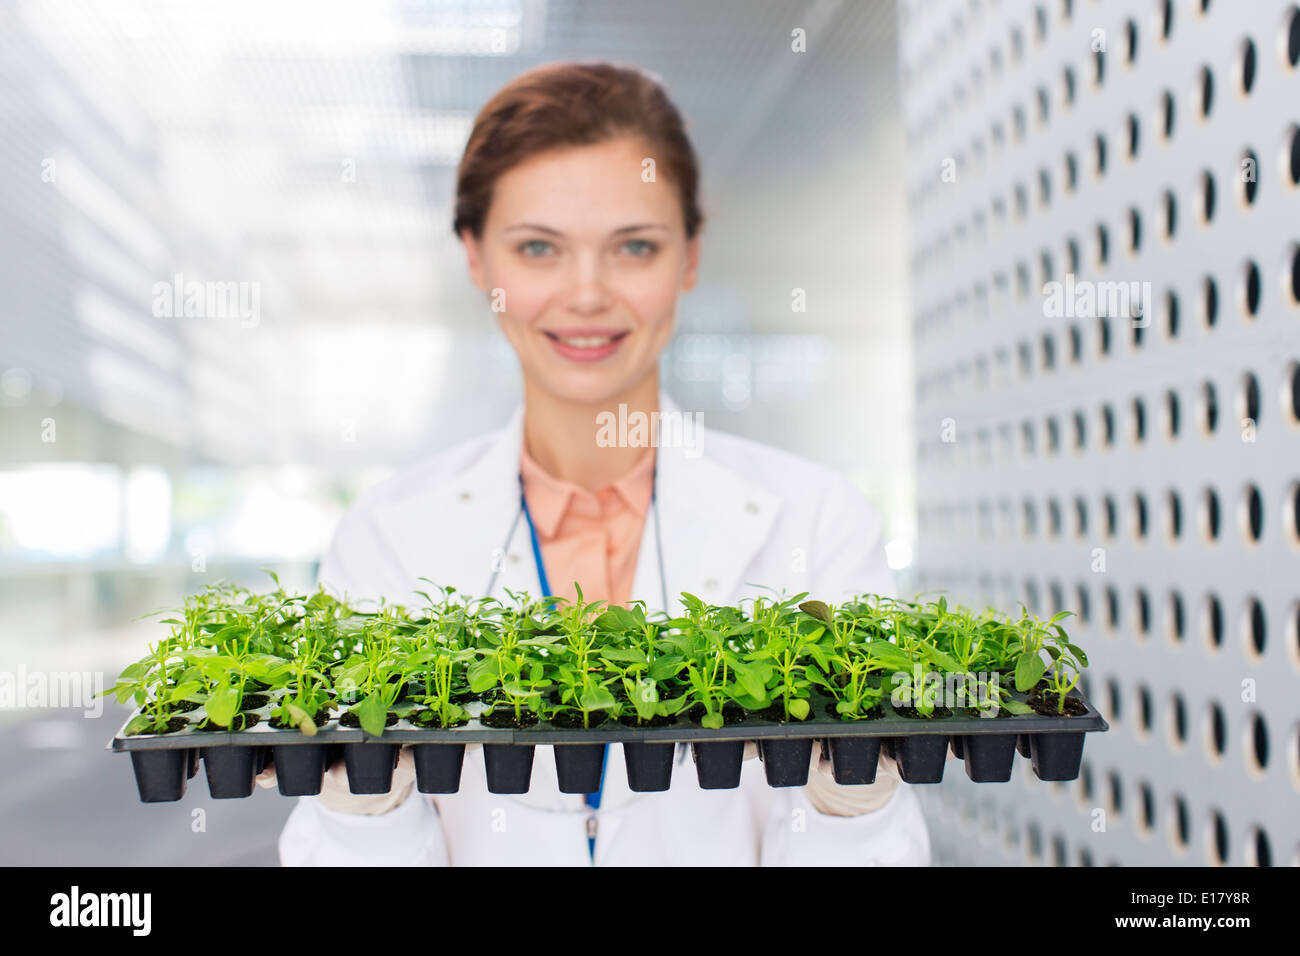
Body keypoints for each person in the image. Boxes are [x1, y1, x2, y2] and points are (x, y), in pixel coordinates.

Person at [267, 60, 931, 866]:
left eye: (634, 247)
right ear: (477, 259)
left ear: (688, 257)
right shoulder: (386, 536)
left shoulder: (816, 520)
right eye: (538, 247)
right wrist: (363, 813)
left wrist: (848, 811)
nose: (586, 294)